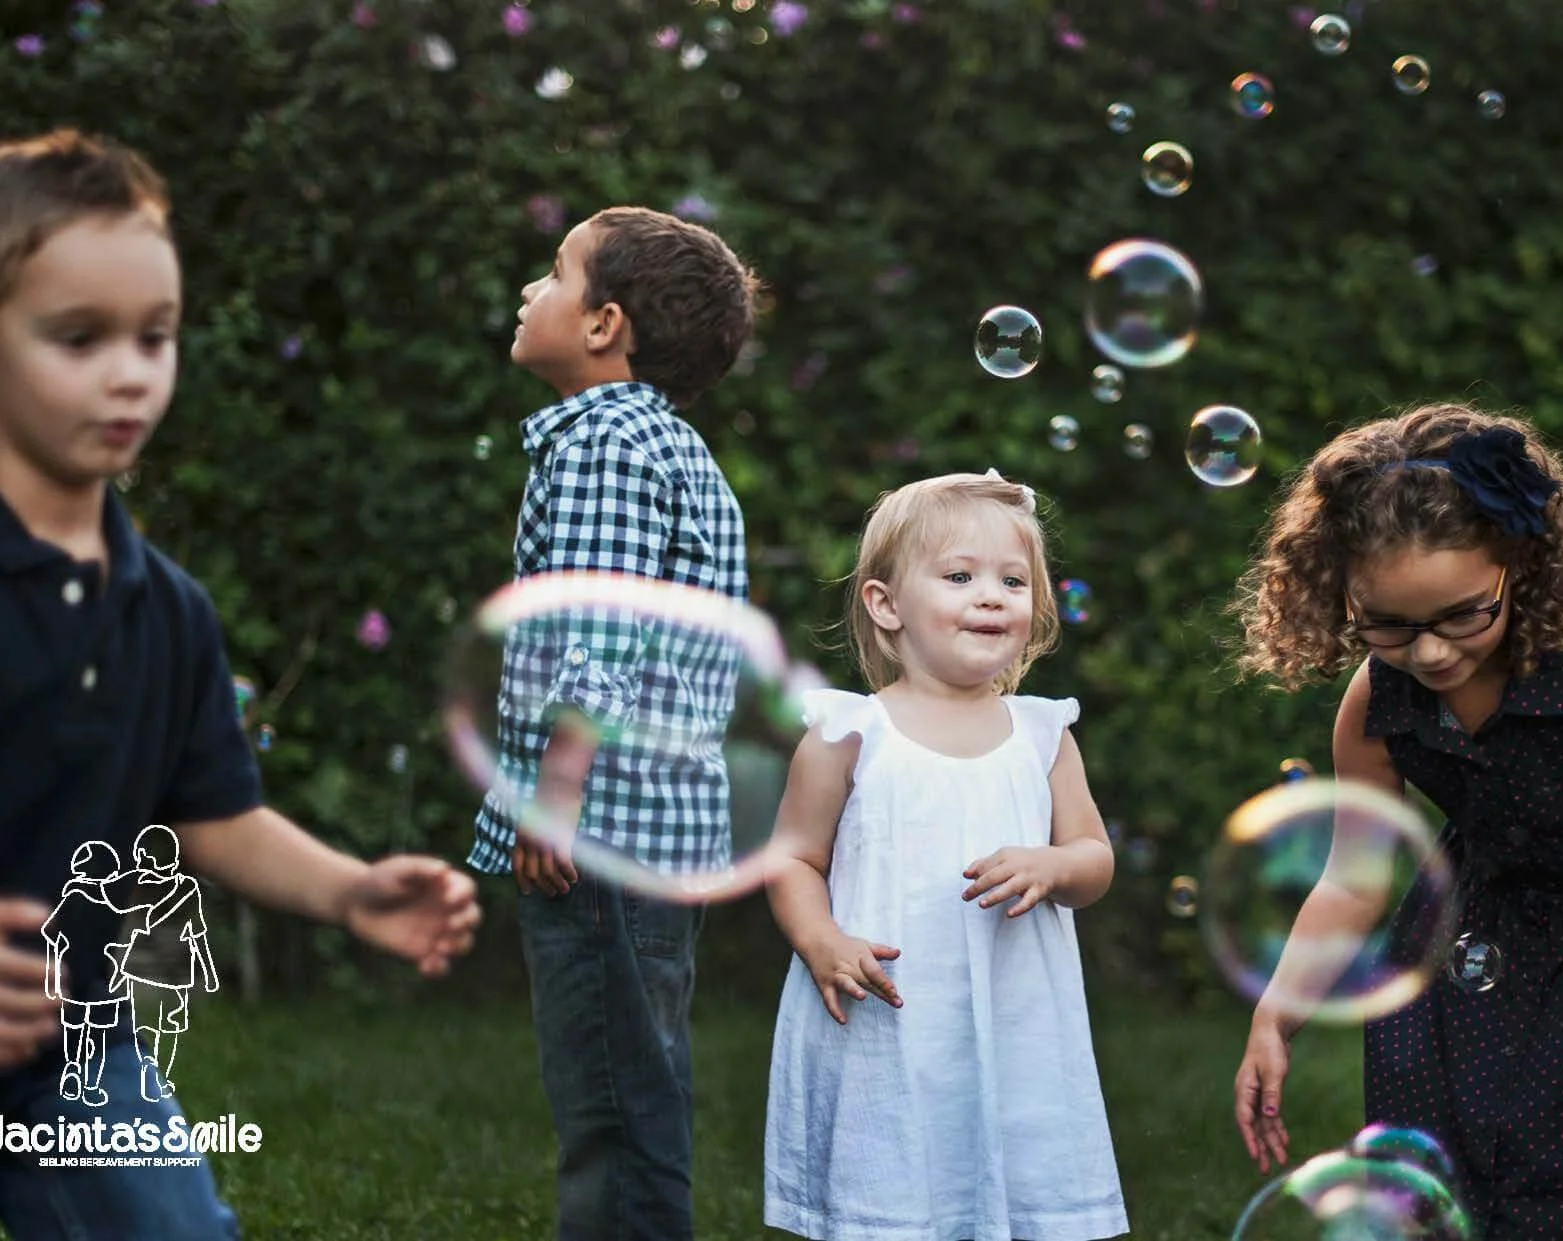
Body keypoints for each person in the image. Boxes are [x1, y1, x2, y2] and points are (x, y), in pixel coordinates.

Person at [0, 128, 482, 1240]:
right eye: (80, 337)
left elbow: (213, 810)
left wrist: (352, 890)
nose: (130, 370)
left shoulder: (165, 608)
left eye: (154, 336)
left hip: (73, 1050)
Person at [1228, 402, 1563, 1238]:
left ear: (1518, 567)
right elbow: (1353, 880)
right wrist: (1276, 1011)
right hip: (1472, 945)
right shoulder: (1375, 702)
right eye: (1387, 623)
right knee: (1447, 1180)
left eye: (1465, 613)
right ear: (1339, 592)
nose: (1428, 652)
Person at [468, 205, 760, 1240]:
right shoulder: (666, 446)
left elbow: (597, 628)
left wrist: (557, 793)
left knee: (611, 1106)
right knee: (637, 1082)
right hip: (650, 836)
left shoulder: (603, 441)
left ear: (602, 323)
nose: (525, 293)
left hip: (603, 833)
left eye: (551, 274)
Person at [764, 470, 1130, 1241]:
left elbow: (1094, 856)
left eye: (1012, 579)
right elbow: (793, 857)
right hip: (888, 1018)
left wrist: (1054, 865)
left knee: (1012, 1178)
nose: (991, 595)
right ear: (886, 604)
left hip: (1014, 1014)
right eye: (960, 576)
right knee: (894, 1194)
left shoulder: (1041, 733)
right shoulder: (849, 731)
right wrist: (821, 939)